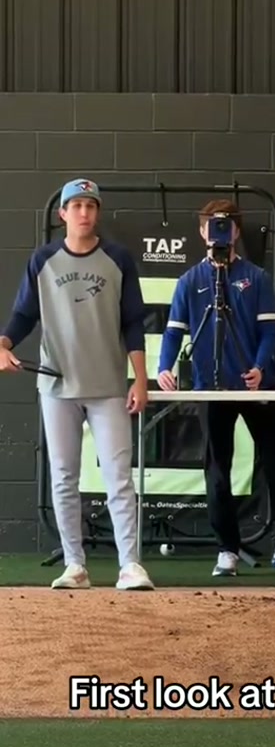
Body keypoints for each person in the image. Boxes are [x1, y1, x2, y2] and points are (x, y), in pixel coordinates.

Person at [0, 177, 154, 591]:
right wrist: (3, 344)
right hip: (56, 387)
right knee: (64, 476)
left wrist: (139, 381)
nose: (84, 213)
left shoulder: (118, 259)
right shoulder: (43, 260)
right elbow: (22, 315)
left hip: (107, 387)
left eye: (91, 206)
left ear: (97, 213)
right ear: (63, 214)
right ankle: (75, 565)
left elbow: (133, 324)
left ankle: (130, 566)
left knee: (118, 477)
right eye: (77, 206)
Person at [157, 198, 275, 579]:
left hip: (258, 387)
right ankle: (227, 549)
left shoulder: (256, 278)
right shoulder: (190, 282)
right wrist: (164, 367)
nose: (218, 234)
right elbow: (174, 332)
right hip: (212, 389)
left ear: (236, 230)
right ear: (201, 231)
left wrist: (260, 368)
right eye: (211, 226)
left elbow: (269, 331)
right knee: (217, 471)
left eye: (225, 226)